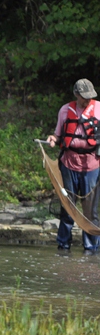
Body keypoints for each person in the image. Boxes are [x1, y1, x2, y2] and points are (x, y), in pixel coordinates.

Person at [46, 78, 100, 255]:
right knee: (67, 207)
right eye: (83, 97)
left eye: (89, 97)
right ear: (76, 94)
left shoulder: (98, 109)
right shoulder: (65, 110)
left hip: (91, 164)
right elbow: (57, 135)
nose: (86, 100)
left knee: (90, 210)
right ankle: (63, 247)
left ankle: (91, 249)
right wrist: (53, 140)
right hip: (68, 164)